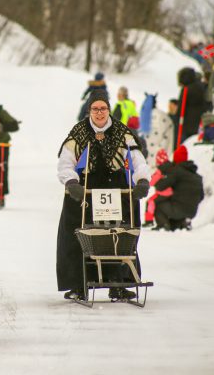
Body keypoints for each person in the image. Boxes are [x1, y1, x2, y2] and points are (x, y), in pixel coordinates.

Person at [56, 89, 151, 301]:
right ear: (89, 110)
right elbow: (66, 160)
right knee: (76, 230)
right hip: (85, 189)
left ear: (109, 109)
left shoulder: (122, 132)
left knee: (121, 231)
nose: (99, 113)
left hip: (115, 187)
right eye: (95, 109)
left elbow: (137, 159)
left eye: (103, 108)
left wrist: (143, 180)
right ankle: (78, 284)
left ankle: (119, 282)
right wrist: (71, 182)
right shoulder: (79, 132)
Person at [152, 145, 204, 231]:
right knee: (174, 224)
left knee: (158, 204)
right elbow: (201, 197)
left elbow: (160, 187)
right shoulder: (197, 176)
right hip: (192, 211)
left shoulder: (177, 171)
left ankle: (163, 226)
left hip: (178, 209)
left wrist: (160, 174)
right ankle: (182, 223)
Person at [175, 67, 207, 149]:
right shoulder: (201, 87)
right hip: (198, 122)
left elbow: (181, 107)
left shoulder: (186, 89)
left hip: (186, 123)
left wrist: (177, 117)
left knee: (184, 144)